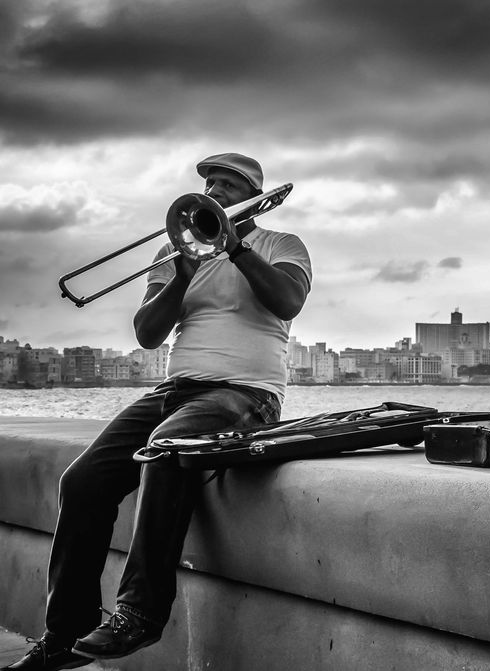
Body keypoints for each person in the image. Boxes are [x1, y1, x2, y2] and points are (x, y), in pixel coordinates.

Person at [5, 153, 312, 670]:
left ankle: (139, 616)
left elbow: (288, 301)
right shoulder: (175, 250)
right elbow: (147, 333)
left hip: (245, 394)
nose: (215, 191)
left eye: (228, 184)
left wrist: (234, 249)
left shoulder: (280, 245)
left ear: (255, 196)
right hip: (175, 390)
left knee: (166, 450)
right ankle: (65, 633)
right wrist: (183, 272)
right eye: (210, 183)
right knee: (82, 483)